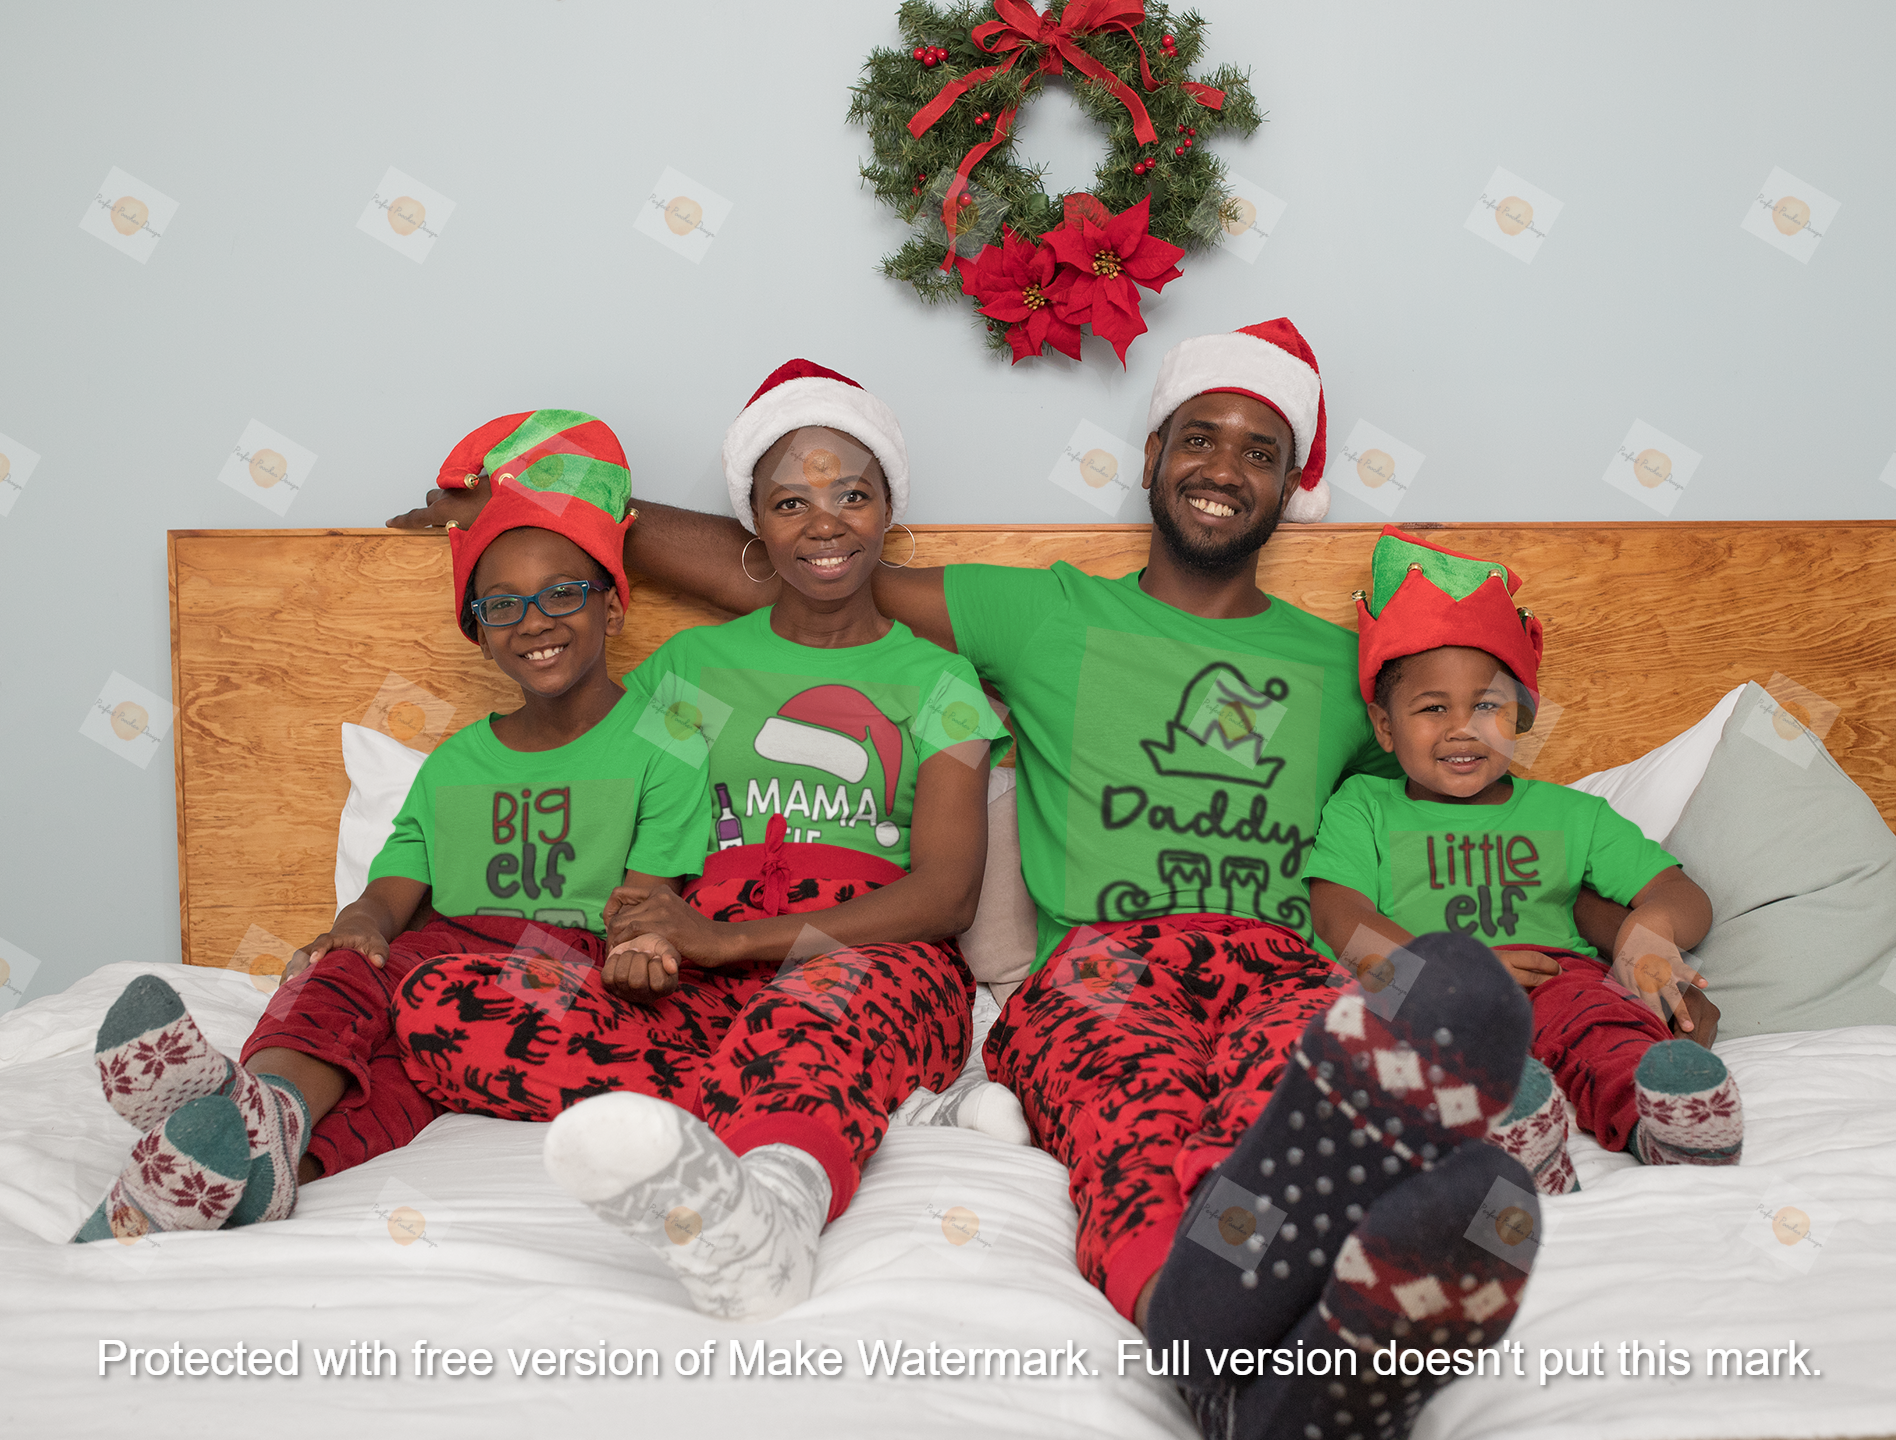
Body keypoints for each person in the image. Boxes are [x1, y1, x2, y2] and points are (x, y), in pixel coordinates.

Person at [388, 321, 1581, 1429]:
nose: (1224, 466)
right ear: (1154, 451)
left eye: (1260, 450)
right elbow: (803, 585)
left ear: (1291, 482)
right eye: (1199, 437)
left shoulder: (1345, 666)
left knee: (1296, 1086)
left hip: (1269, 960)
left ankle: (1285, 1340)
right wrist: (557, 506)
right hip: (1100, 969)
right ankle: (1204, 1312)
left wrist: (1585, 941)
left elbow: (1458, 763)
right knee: (1127, 1109)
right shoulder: (1040, 614)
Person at [390, 360, 1016, 1324]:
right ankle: (861, 1093)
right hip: (705, 949)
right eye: (790, 501)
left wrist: (729, 943)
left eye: (853, 494)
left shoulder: (943, 683)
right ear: (755, 529)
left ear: (890, 511)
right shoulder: (687, 669)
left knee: (825, 1002)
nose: (825, 522)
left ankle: (770, 1212)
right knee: (442, 998)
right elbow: (635, 818)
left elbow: (945, 896)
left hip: (863, 947)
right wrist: (644, 931)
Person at [75, 410, 708, 1241]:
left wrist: (641, 954)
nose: (536, 621)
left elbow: (646, 902)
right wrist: (356, 929)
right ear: (480, 635)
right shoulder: (455, 763)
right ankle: (252, 1152)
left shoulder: (668, 740)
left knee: (407, 996)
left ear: (612, 610)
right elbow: (390, 892)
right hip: (444, 956)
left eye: (563, 593)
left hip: (567, 969)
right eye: (504, 606)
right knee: (371, 1017)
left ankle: (236, 1109)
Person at [1306, 525, 1742, 1180]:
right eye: (1432, 708)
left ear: (1522, 717)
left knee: (1606, 1026)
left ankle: (1667, 1123)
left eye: (1488, 705)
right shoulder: (1364, 804)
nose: (1463, 728)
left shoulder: (1572, 814)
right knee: (1417, 1048)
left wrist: (1648, 936)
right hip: (1434, 988)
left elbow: (1681, 896)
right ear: (1385, 726)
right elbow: (1338, 913)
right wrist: (1448, 975)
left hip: (1556, 978)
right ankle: (1514, 1137)